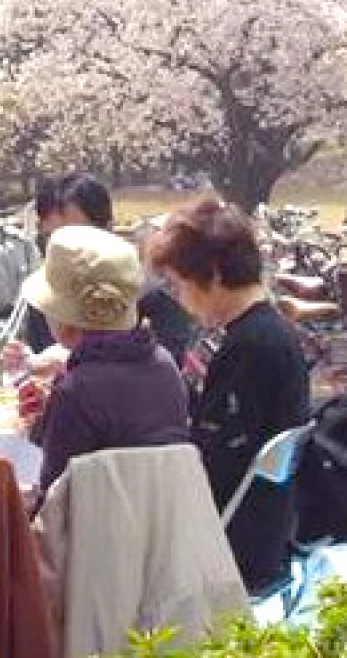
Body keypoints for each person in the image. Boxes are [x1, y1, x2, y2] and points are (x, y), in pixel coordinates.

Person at [146, 198, 310, 594]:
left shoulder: (251, 348)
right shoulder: (266, 332)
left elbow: (214, 461)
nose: (179, 299)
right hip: (268, 527)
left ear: (214, 274)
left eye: (180, 284)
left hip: (237, 542)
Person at [20, 225, 189, 495]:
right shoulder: (164, 365)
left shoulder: (76, 390)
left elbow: (57, 497)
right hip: (165, 527)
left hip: (96, 532)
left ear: (64, 323)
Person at [14, 172, 194, 371]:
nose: (63, 249)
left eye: (76, 236)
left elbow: (166, 375)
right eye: (52, 239)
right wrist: (26, 363)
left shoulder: (155, 297)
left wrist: (67, 361)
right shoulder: (43, 297)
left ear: (108, 229)